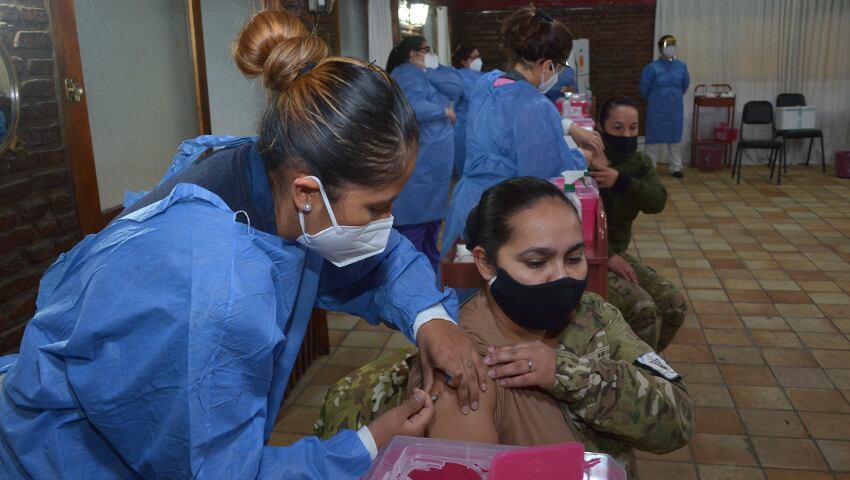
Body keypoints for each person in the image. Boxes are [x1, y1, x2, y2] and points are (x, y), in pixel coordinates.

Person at [0, 11, 489, 479]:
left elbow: (377, 263)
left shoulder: (264, 176)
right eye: (376, 207)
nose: (388, 223)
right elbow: (216, 471)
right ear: (307, 191)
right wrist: (367, 444)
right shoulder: (218, 294)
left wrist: (430, 317)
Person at [409, 177, 694, 477]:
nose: (561, 277)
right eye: (536, 262)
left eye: (574, 258)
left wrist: (569, 374)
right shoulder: (463, 366)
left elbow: (679, 421)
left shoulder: (593, 315)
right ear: (485, 263)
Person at [441, 6, 602, 258]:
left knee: (464, 288)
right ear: (547, 65)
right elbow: (545, 174)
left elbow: (507, 122)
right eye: (559, 67)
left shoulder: (487, 83)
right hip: (501, 213)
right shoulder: (536, 106)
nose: (558, 74)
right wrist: (582, 158)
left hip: (466, 201)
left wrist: (569, 127)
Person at [589, 96, 687, 352]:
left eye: (633, 128)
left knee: (673, 304)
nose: (626, 135)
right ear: (600, 128)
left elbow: (657, 201)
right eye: (617, 128)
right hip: (587, 257)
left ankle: (645, 367)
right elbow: (575, 220)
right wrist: (607, 255)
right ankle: (631, 377)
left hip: (615, 253)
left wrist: (621, 181)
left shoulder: (639, 163)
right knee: (644, 311)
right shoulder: (583, 159)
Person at [386, 36, 462, 271]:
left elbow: (456, 87)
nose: (431, 54)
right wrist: (442, 111)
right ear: (412, 53)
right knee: (413, 235)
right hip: (421, 165)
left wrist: (433, 70)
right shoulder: (405, 73)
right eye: (426, 50)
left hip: (434, 167)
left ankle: (430, 281)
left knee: (430, 232)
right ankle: (412, 286)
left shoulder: (424, 73)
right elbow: (410, 106)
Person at [640, 34, 690, 179]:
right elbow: (644, 88)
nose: (671, 49)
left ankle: (676, 167)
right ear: (661, 49)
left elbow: (685, 85)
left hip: (675, 109)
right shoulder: (652, 68)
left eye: (673, 46)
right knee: (653, 141)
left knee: (675, 140)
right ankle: (651, 167)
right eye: (668, 46)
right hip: (656, 108)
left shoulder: (682, 66)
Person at [450, 43, 484, 177]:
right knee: (467, 170)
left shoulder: (481, 74)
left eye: (479, 56)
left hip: (479, 126)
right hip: (464, 129)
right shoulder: (459, 76)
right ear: (463, 61)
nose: (478, 60)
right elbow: (475, 95)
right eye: (473, 57)